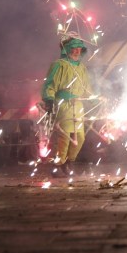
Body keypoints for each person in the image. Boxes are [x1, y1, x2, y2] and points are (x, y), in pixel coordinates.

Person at [41, 36, 94, 177]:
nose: (77, 51)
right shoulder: (59, 64)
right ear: (68, 49)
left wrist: (96, 99)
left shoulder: (82, 67)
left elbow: (87, 87)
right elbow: (50, 84)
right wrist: (49, 99)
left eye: (79, 48)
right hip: (63, 104)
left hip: (78, 105)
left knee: (80, 137)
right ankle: (57, 164)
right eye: (74, 48)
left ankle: (69, 162)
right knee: (64, 136)